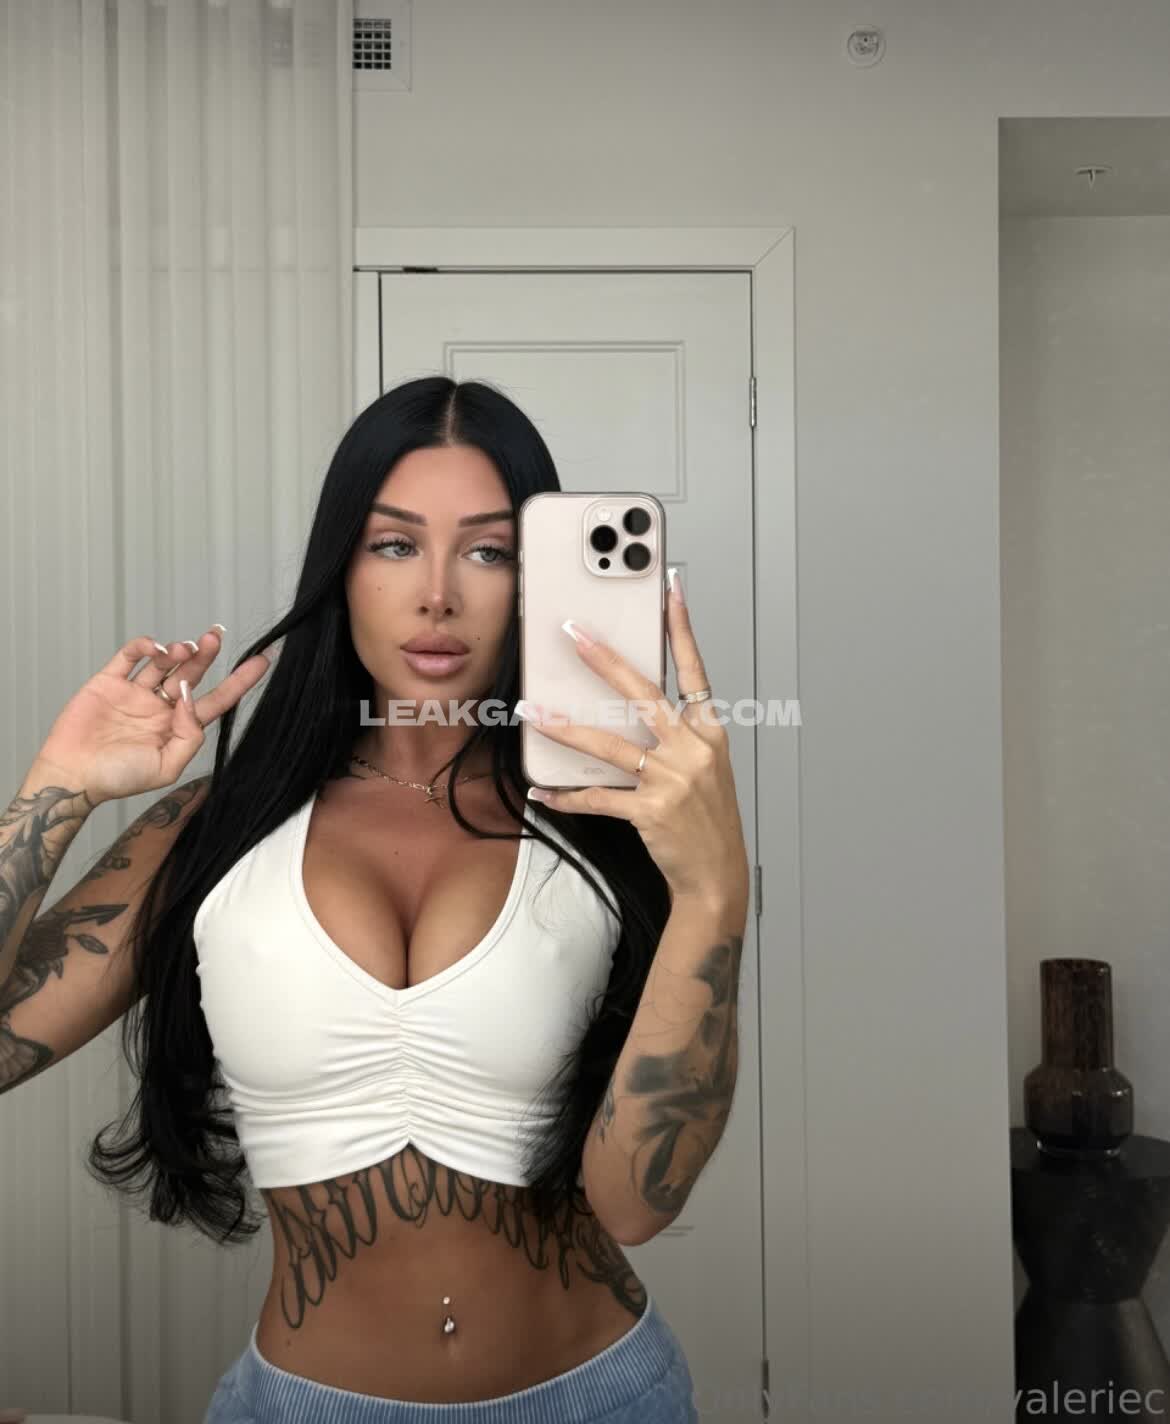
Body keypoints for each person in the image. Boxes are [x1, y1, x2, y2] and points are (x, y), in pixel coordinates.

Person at [0, 376, 750, 1423]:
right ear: (341, 568)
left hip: (600, 1397)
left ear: (534, 581)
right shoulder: (215, 829)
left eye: (487, 552)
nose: (437, 594)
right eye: (395, 544)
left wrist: (716, 889)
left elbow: (635, 1203)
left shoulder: (607, 827)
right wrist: (60, 789)